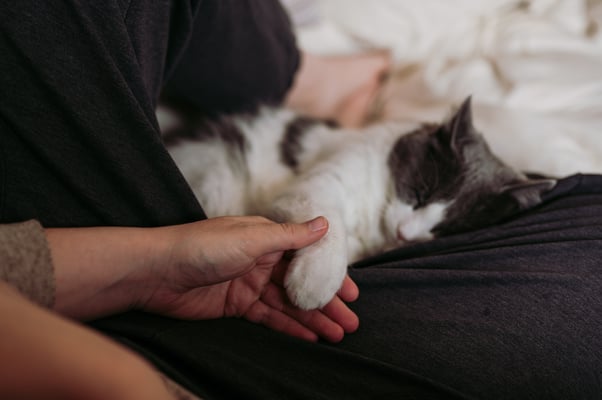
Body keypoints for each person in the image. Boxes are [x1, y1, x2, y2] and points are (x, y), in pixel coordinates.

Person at [1, 1, 600, 400]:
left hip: (107, 271)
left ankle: (304, 74)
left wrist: (147, 266)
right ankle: (306, 76)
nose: (413, 229)